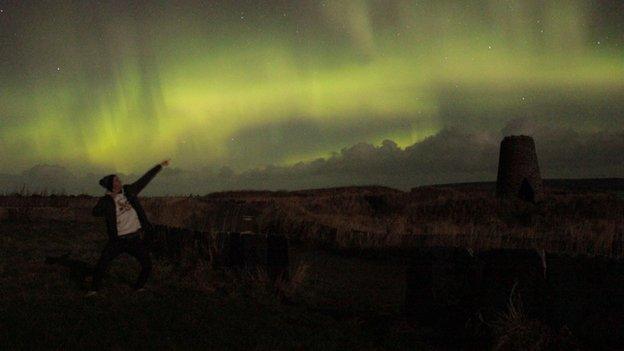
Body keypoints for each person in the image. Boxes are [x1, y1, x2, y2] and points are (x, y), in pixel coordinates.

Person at [86, 159, 170, 296]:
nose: (120, 183)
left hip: (134, 239)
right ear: (111, 186)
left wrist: (159, 166)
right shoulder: (106, 201)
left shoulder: (129, 191)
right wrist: (108, 199)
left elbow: (144, 180)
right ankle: (94, 290)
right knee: (102, 264)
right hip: (117, 241)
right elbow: (95, 212)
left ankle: (139, 287)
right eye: (116, 181)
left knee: (147, 265)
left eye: (119, 180)